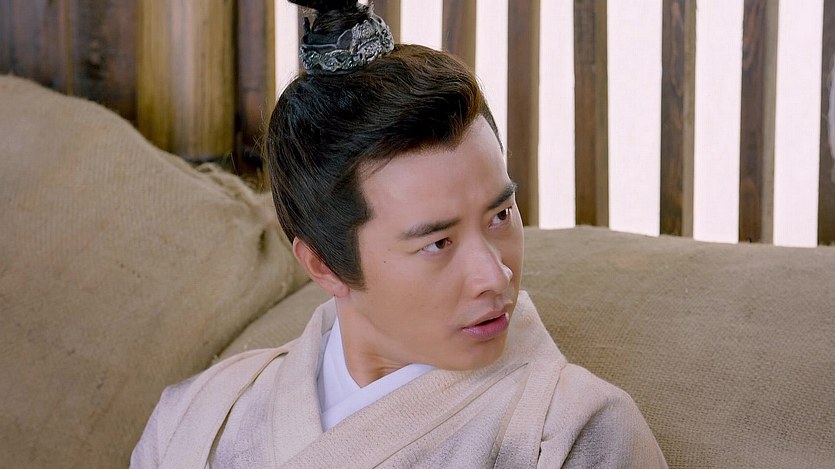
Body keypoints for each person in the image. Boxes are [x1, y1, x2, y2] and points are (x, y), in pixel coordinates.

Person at [131, 0, 667, 467]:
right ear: (324, 265)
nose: (495, 275)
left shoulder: (575, 434)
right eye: (438, 243)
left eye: (500, 215)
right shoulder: (199, 417)